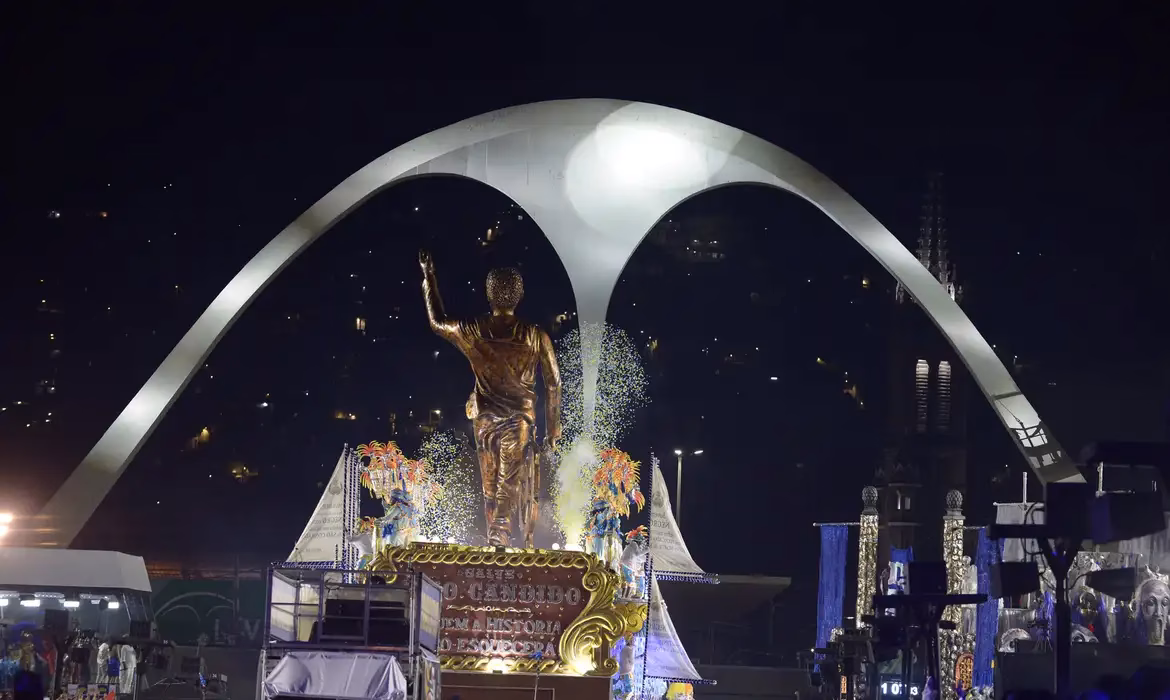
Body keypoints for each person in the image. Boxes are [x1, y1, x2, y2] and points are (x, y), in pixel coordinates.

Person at [419, 251, 562, 546]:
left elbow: (437, 322)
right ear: (519, 296)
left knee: (491, 484)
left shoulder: (474, 331)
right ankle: (498, 535)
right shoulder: (536, 336)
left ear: (489, 296)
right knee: (507, 480)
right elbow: (554, 383)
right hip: (518, 421)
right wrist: (553, 429)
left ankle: (496, 535)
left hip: (484, 420)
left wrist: (428, 276)